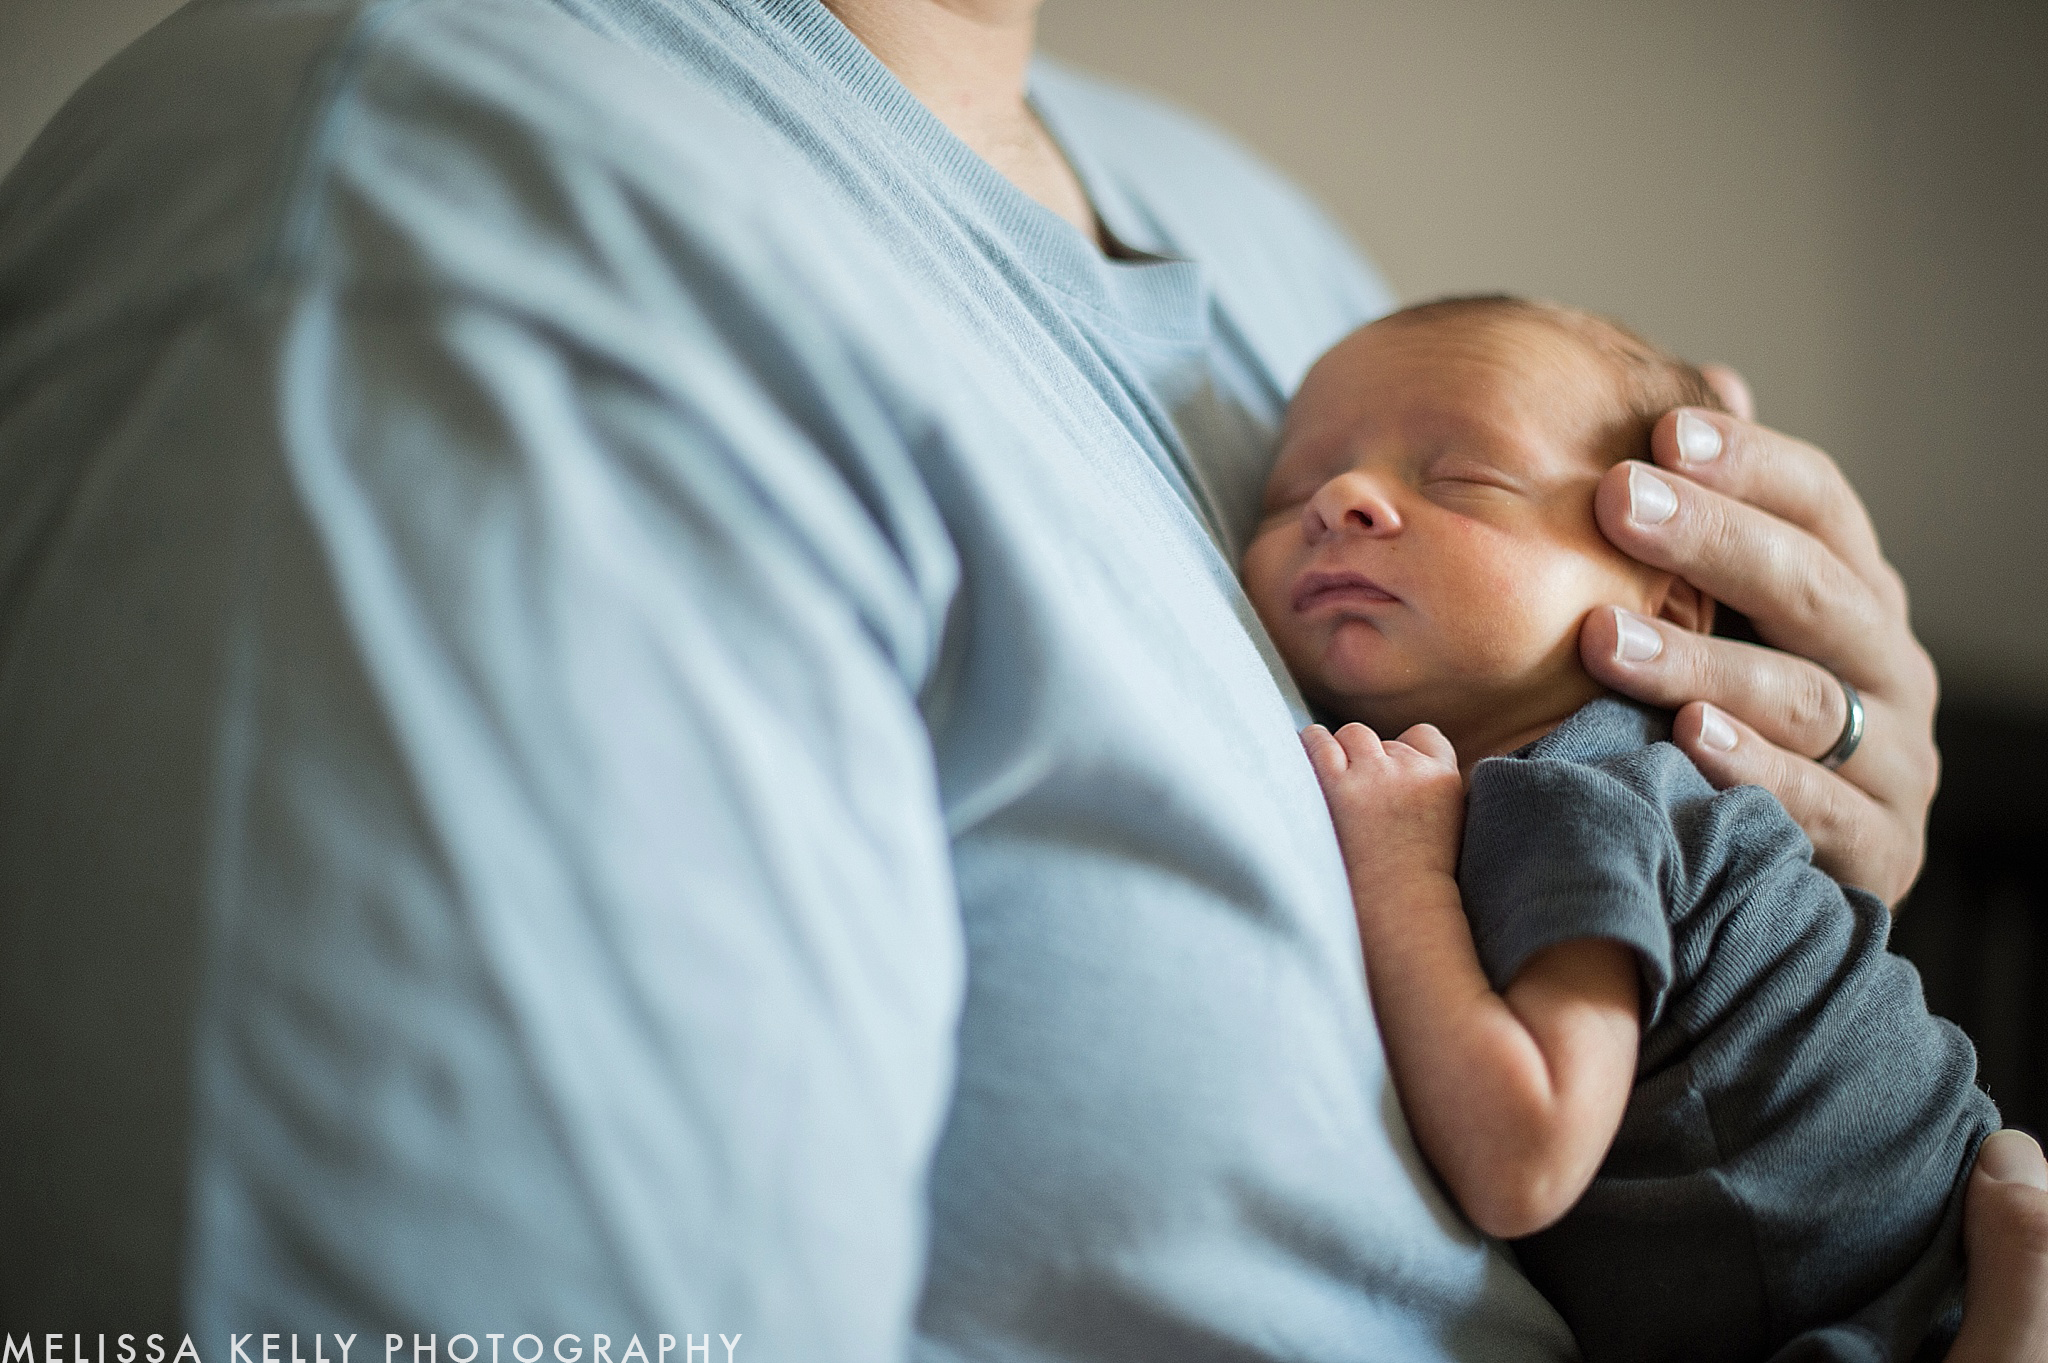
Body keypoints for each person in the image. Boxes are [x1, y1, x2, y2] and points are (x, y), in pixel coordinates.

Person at [0, 0, 2041, 1356]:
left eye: (1454, 481)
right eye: (1328, 491)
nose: (1348, 517)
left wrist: (1762, 797)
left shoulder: (1257, 241)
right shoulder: (451, 246)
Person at [1243, 295, 2001, 1361]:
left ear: (1670, 606)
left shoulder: (1585, 792)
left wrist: (1398, 862)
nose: (1342, 501)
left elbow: (1521, 1153)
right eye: (1286, 495)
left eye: (1462, 478)